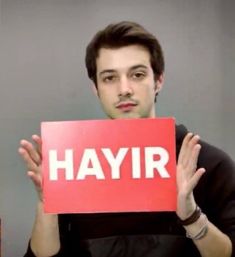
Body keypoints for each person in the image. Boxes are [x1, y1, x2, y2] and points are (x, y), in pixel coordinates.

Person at [19, 21, 235, 257]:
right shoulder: (71, 165)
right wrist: (47, 204)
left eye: (137, 74)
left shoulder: (209, 164)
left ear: (158, 80)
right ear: (95, 87)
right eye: (110, 78)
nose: (124, 89)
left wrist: (191, 216)